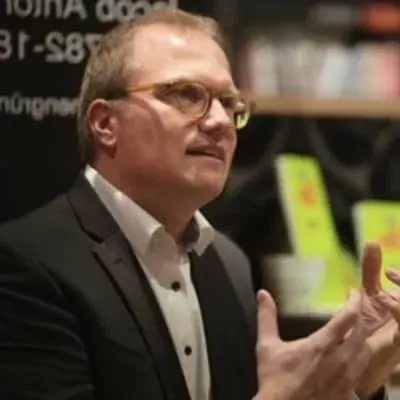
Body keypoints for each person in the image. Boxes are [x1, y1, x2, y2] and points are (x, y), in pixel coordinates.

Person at [0, 7, 398, 400]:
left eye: (229, 103)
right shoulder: (26, 263)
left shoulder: (228, 262)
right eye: (187, 95)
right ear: (106, 123)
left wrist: (354, 381)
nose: (220, 122)